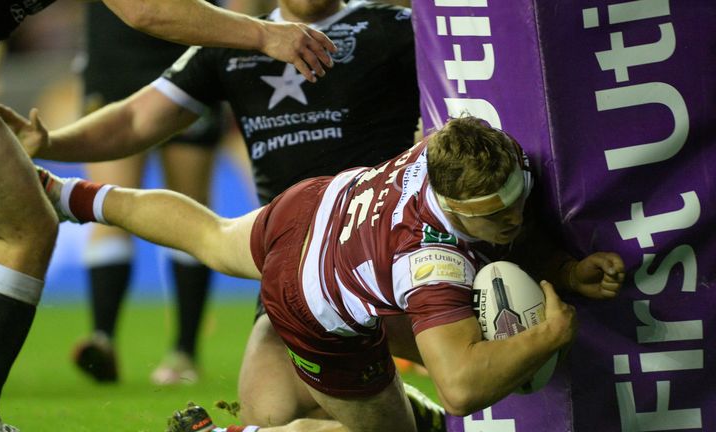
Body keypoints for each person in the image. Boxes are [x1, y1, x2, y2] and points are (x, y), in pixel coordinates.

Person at [34, 115, 626, 432]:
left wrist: (564, 267)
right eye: (494, 217)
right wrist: (548, 336)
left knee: (210, 236)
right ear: (451, 209)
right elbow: (462, 388)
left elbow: (504, 213)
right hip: (306, 299)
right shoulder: (430, 264)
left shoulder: (462, 147)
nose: (515, 218)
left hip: (316, 206)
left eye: (517, 198)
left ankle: (66, 194)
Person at [0, 0, 420, 424]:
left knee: (456, 375)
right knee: (270, 414)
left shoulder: (395, 28)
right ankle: (424, 419)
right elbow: (134, 121)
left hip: (390, 258)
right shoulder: (233, 42)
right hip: (295, 272)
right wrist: (49, 143)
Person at [71, 1, 229, 386]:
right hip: (119, 52)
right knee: (107, 202)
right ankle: (104, 340)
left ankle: (184, 350)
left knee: (191, 211)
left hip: (189, 49)